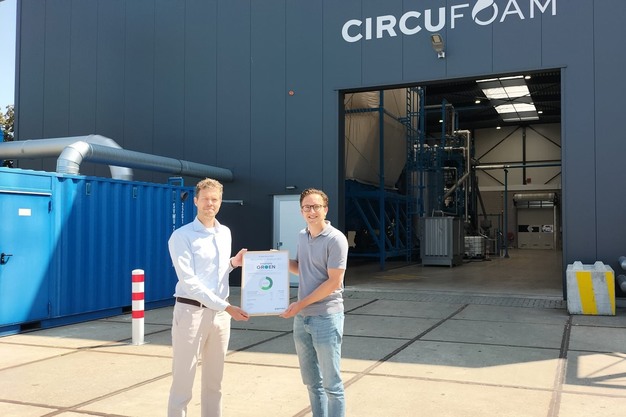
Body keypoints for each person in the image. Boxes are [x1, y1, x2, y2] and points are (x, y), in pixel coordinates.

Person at [167, 177, 249, 417]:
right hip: (191, 313)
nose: (210, 204)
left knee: (215, 383)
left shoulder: (225, 233)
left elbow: (216, 271)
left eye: (215, 199)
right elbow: (190, 281)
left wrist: (233, 263)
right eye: (205, 199)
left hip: (220, 317)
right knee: (183, 382)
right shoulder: (181, 236)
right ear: (195, 201)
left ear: (220, 202)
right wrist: (227, 307)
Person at [280, 188, 349, 417]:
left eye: (316, 206)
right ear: (301, 211)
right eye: (307, 207)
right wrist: (277, 260)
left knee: (332, 385)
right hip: (302, 319)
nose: (312, 211)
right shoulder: (303, 236)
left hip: (326, 317)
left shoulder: (336, 239)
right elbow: (302, 268)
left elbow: (334, 282)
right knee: (312, 382)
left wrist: (300, 304)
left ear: (325, 209)